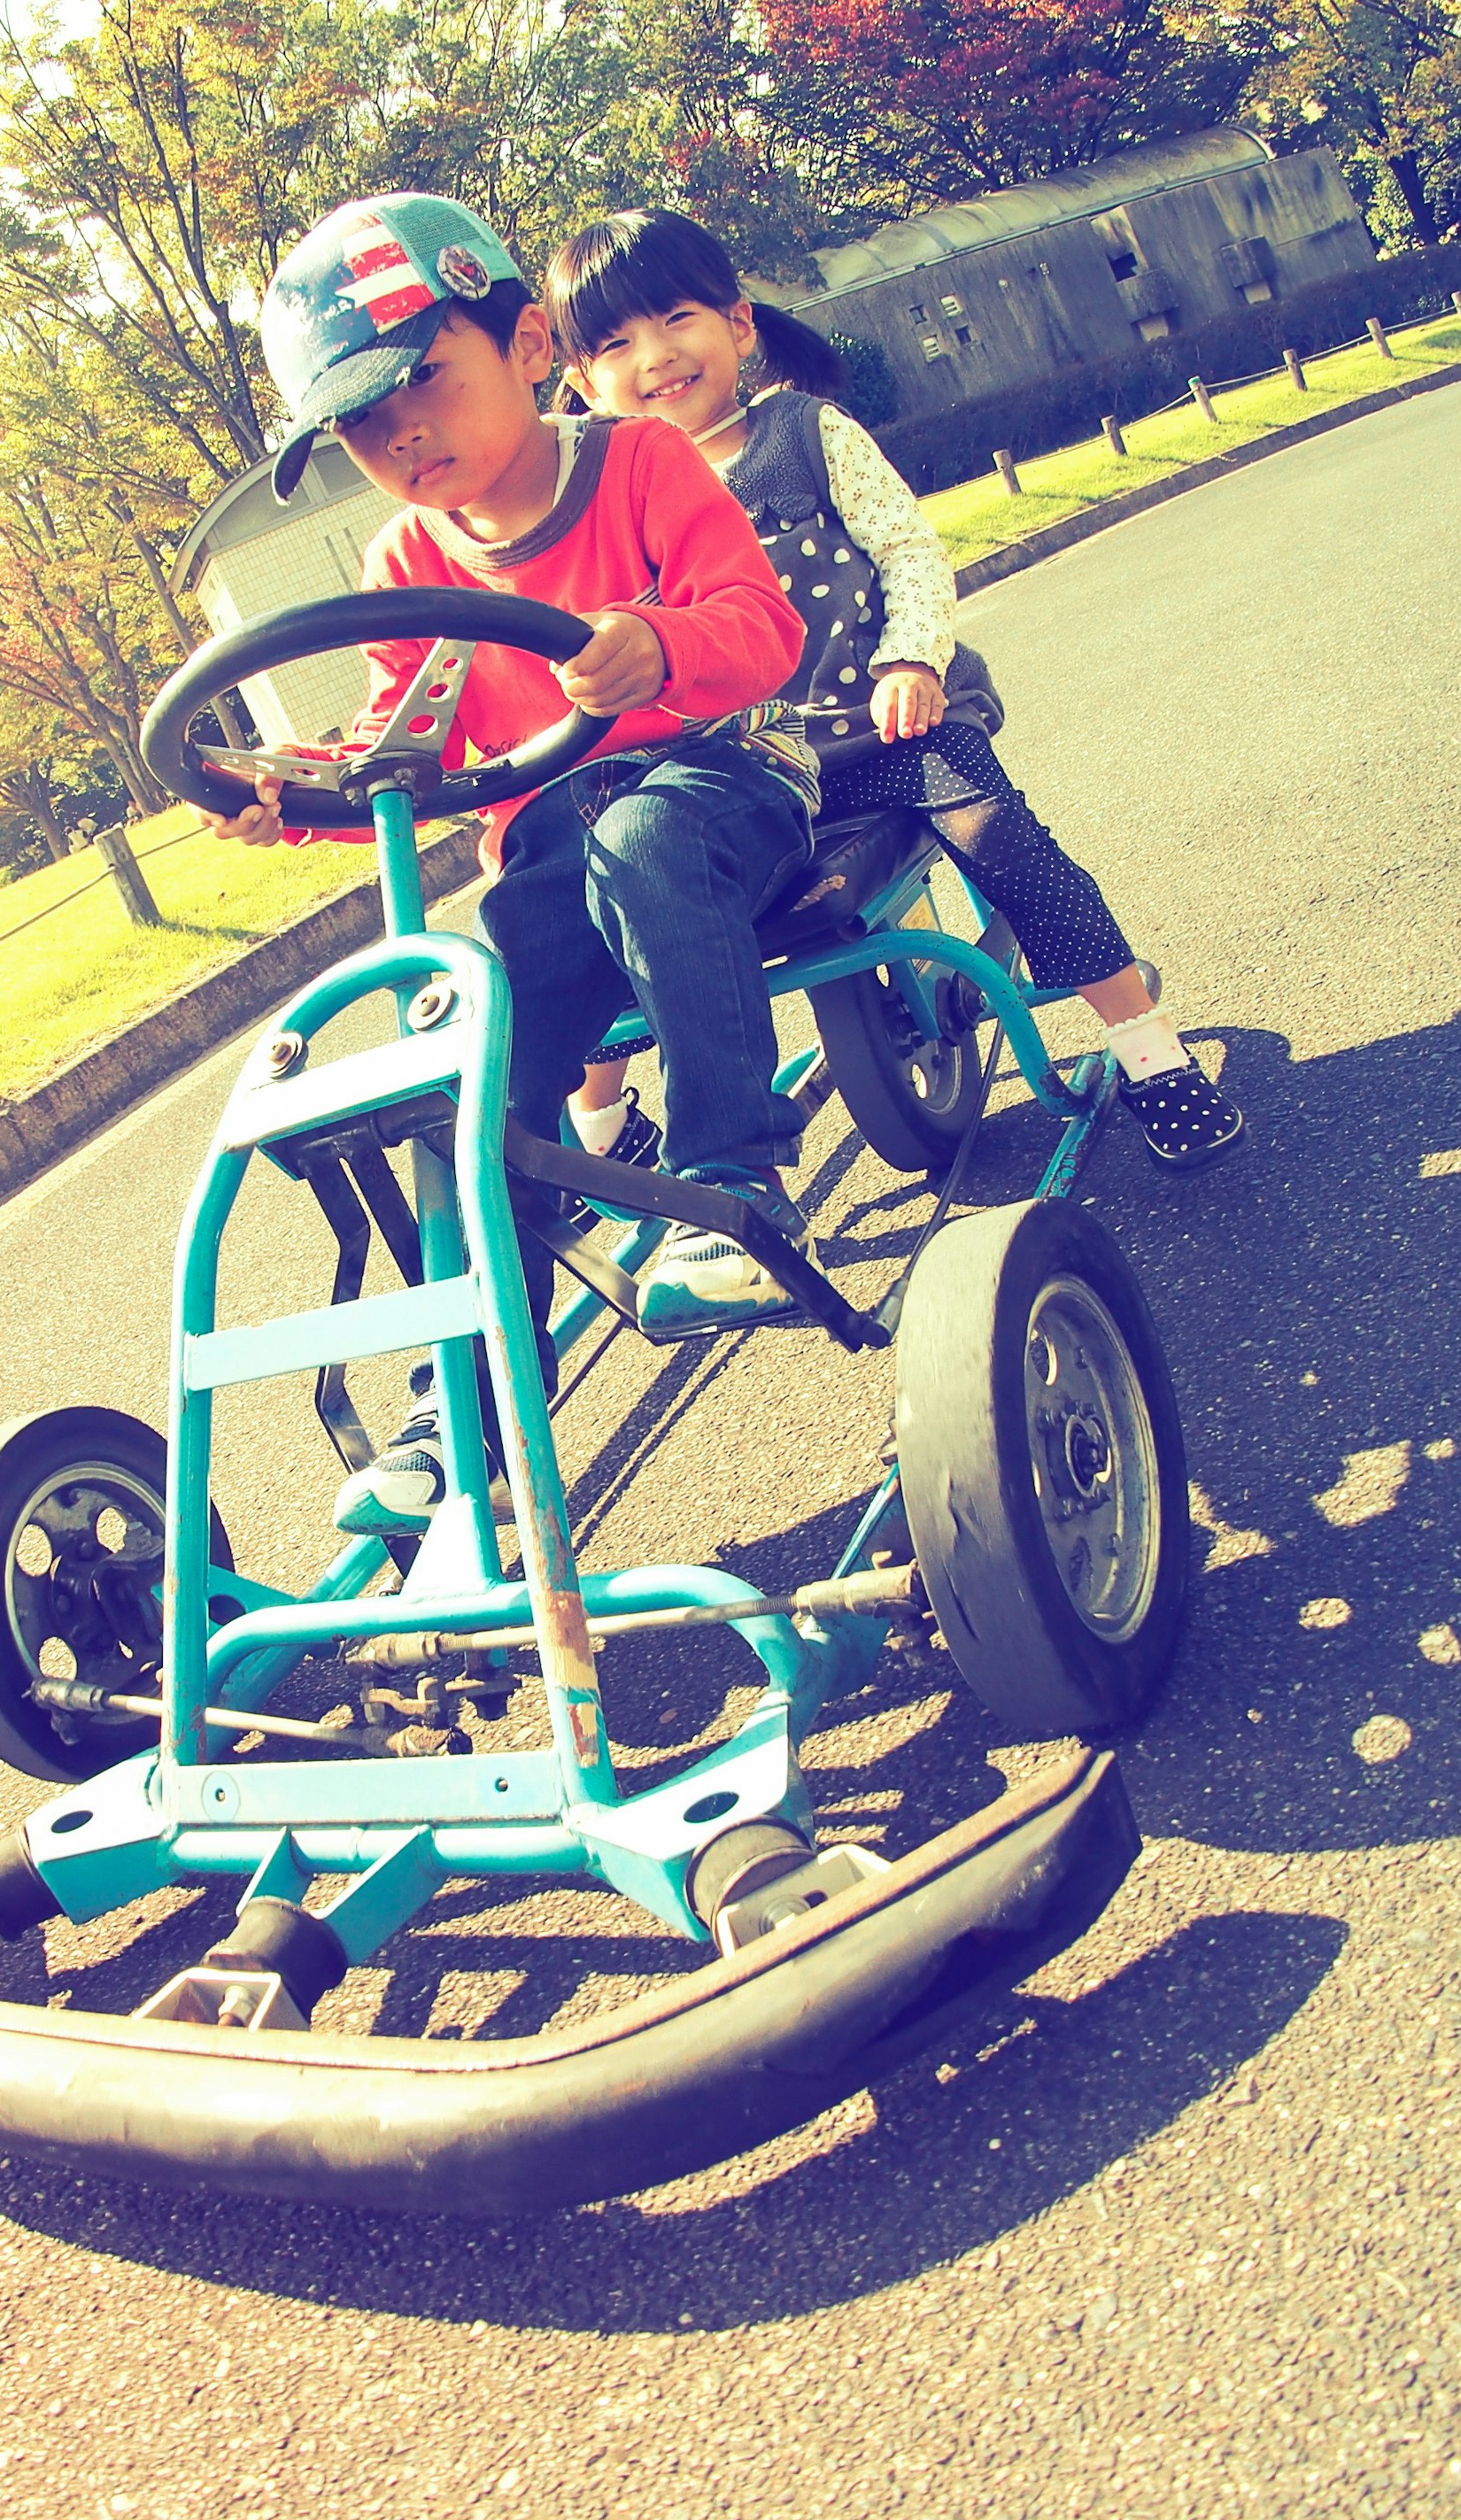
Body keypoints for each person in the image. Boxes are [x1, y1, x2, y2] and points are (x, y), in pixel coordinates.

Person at [200, 192, 821, 1533]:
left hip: (723, 778)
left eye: (423, 378)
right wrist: (286, 791)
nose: (400, 431)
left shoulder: (645, 465)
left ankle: (735, 1188)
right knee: (471, 1045)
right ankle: (466, 1396)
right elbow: (393, 750)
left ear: (530, 344)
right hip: (551, 847)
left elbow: (761, 626)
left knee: (647, 832)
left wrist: (659, 643)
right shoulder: (404, 558)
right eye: (361, 421)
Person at [545, 209, 1247, 1172]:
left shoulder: (801, 432)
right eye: (618, 344)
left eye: (676, 319)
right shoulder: (612, 496)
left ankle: (1149, 1051)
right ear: (581, 386)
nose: (657, 356)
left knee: (1000, 837)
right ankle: (600, 1127)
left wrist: (909, 660)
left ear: (739, 325)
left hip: (886, 736)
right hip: (741, 778)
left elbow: (907, 551)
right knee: (614, 900)